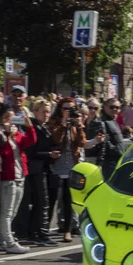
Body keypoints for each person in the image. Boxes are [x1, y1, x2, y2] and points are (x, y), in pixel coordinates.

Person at [0, 103, 37, 253]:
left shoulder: (15, 132)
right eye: (6, 118)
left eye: (12, 118)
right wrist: (7, 133)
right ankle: (8, 242)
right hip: (8, 176)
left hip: (20, 174)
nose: (9, 121)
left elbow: (30, 141)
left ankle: (2, 239)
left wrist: (29, 127)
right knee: (6, 212)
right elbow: (5, 152)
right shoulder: (1, 133)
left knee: (13, 211)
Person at [48, 98, 86, 243]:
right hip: (57, 164)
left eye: (71, 108)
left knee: (68, 198)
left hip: (72, 164)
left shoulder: (75, 123)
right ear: (60, 109)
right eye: (65, 108)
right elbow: (56, 139)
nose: (68, 111)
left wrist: (80, 125)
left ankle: (67, 230)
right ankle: (43, 229)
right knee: (52, 199)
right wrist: (64, 124)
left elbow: (81, 142)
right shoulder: (54, 121)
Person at [27, 99, 59, 245]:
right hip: (36, 168)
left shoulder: (44, 127)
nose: (47, 114)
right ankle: (40, 233)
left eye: (48, 111)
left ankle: (38, 232)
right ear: (35, 112)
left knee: (44, 201)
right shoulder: (33, 127)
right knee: (42, 201)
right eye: (43, 111)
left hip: (45, 168)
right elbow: (32, 152)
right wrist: (49, 154)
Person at [97, 98, 126, 179]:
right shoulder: (103, 121)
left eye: (117, 107)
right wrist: (117, 151)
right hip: (109, 162)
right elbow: (104, 141)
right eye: (112, 107)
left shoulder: (113, 120)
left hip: (117, 160)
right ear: (105, 107)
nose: (114, 109)